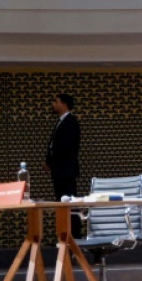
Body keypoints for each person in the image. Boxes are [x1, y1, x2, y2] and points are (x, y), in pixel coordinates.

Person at [44, 94, 82, 238]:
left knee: (69, 203)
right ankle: (65, 233)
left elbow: (65, 147)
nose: (53, 104)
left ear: (64, 104)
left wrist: (52, 161)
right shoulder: (60, 122)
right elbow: (54, 145)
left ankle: (75, 235)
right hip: (59, 170)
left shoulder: (71, 122)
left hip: (66, 171)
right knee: (61, 203)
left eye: (56, 102)